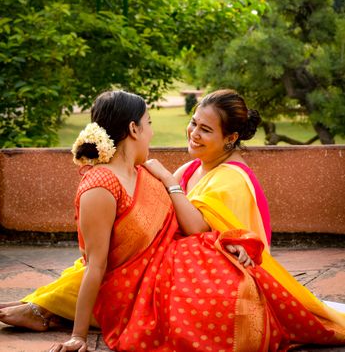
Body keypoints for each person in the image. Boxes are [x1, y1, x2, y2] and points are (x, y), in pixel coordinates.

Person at [1, 90, 345, 351]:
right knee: (96, 263)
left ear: (231, 138)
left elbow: (203, 229)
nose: (193, 133)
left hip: (206, 267)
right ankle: (43, 307)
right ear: (133, 129)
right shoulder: (190, 168)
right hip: (162, 259)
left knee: (106, 269)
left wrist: (168, 182)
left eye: (206, 129)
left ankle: (44, 310)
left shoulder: (231, 178)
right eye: (194, 122)